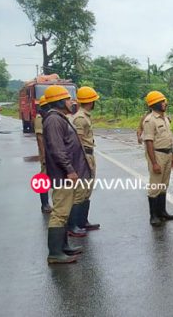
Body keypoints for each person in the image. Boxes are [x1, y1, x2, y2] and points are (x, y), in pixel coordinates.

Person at [42, 85, 91, 264]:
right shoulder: (54, 120)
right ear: (61, 101)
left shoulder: (60, 118)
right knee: (60, 213)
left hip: (66, 175)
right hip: (62, 176)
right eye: (69, 98)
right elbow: (57, 149)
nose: (72, 101)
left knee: (65, 211)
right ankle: (55, 253)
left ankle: (63, 247)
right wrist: (69, 170)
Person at [68, 86, 101, 234]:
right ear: (91, 101)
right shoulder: (80, 118)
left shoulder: (85, 115)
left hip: (88, 154)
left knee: (87, 190)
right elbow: (78, 142)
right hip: (83, 156)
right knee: (80, 191)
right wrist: (82, 163)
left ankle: (83, 221)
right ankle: (73, 225)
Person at [142, 91, 173, 227]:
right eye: (162, 101)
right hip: (157, 155)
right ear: (155, 104)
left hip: (167, 154)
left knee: (164, 184)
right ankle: (153, 216)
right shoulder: (150, 120)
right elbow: (149, 142)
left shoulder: (165, 118)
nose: (165, 103)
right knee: (155, 185)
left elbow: (169, 139)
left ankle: (162, 212)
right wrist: (154, 163)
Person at [34, 95, 53, 213]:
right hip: (46, 155)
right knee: (44, 178)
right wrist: (45, 157)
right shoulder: (40, 118)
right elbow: (40, 139)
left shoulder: (48, 117)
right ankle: (44, 204)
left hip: (51, 154)